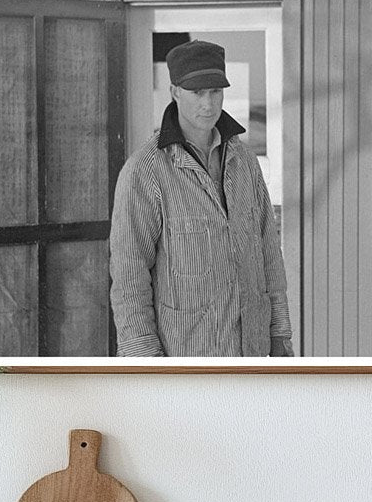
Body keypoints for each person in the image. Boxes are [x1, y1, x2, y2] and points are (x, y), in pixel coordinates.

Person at [109, 39, 293, 357]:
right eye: (197, 93)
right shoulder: (145, 170)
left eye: (215, 92)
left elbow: (268, 254)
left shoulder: (245, 162)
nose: (208, 104)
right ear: (175, 92)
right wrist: (144, 359)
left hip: (251, 353)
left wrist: (279, 334)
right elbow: (129, 273)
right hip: (184, 357)